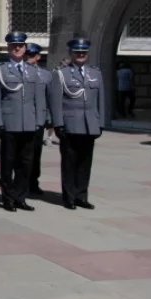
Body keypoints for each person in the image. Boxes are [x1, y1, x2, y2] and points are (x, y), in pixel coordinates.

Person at [0, 32, 45, 212]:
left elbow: (39, 99)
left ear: (25, 48)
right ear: (9, 48)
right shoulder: (0, 70)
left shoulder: (33, 71)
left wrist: (39, 122)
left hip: (29, 123)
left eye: (20, 45)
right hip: (9, 123)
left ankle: (21, 197)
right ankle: (8, 198)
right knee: (8, 163)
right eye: (14, 45)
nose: (17, 48)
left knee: (25, 163)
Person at [50, 37, 104, 210]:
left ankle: (82, 195)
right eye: (77, 52)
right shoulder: (62, 74)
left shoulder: (95, 73)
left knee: (85, 163)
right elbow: (56, 101)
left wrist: (100, 123)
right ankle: (69, 197)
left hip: (89, 125)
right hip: (70, 125)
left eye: (84, 52)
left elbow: (100, 101)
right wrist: (58, 124)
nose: (81, 55)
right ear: (71, 53)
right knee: (69, 163)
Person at [25, 44, 52, 196]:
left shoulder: (45, 75)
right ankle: (21, 180)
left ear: (38, 57)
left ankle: (33, 182)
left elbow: (49, 98)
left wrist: (49, 118)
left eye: (32, 55)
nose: (29, 58)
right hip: (22, 118)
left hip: (38, 119)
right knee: (21, 153)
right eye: (27, 55)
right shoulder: (18, 72)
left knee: (36, 153)